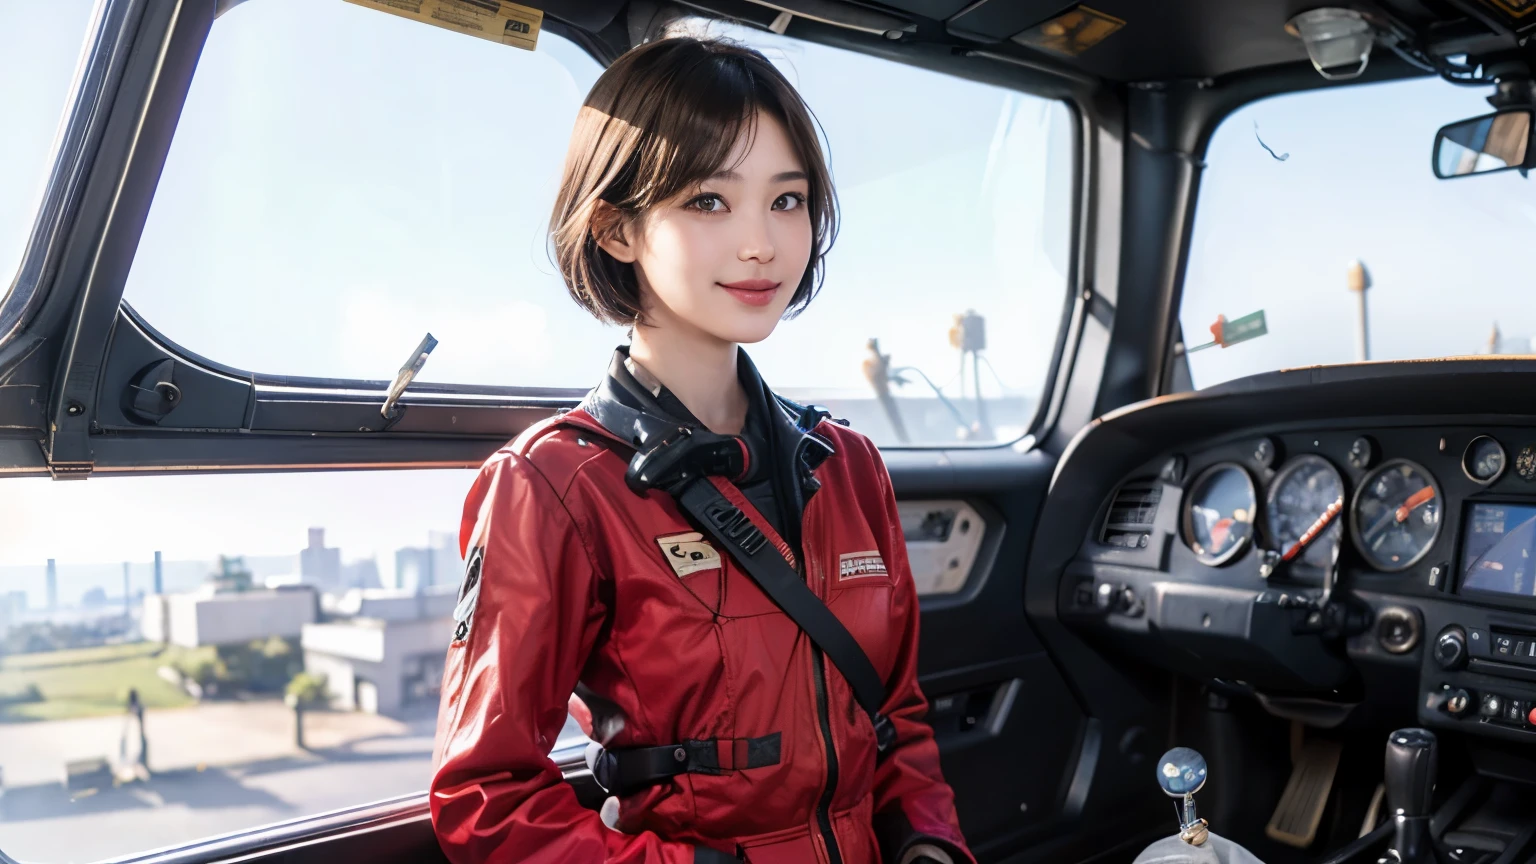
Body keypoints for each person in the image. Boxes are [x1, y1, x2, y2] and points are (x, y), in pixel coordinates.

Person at [430, 36, 973, 864]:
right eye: (710, 201)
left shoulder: (849, 465)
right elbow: (486, 798)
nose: (761, 243)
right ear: (615, 229)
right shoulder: (553, 486)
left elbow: (893, 718)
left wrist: (930, 844)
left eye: (786, 200)